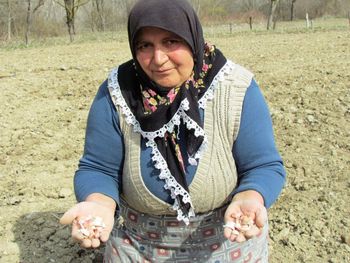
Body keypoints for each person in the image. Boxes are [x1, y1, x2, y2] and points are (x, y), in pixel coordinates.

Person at [60, 0, 286, 262]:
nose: (158, 59)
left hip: (227, 246)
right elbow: (98, 167)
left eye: (170, 42)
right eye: (145, 45)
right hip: (138, 249)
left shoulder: (235, 87)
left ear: (192, 39)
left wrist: (251, 196)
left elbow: (264, 165)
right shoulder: (117, 92)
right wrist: (99, 203)